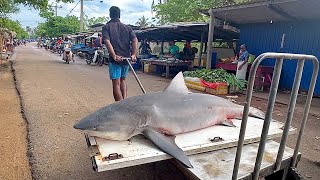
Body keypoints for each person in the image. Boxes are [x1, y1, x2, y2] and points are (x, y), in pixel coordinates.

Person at [102, 6, 138, 101]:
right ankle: (124, 102)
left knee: (116, 83)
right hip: (126, 59)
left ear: (110, 15)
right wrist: (133, 54)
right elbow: (135, 40)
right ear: (119, 15)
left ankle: (120, 106)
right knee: (123, 80)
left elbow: (106, 41)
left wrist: (114, 55)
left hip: (116, 60)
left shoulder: (106, 27)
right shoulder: (127, 28)